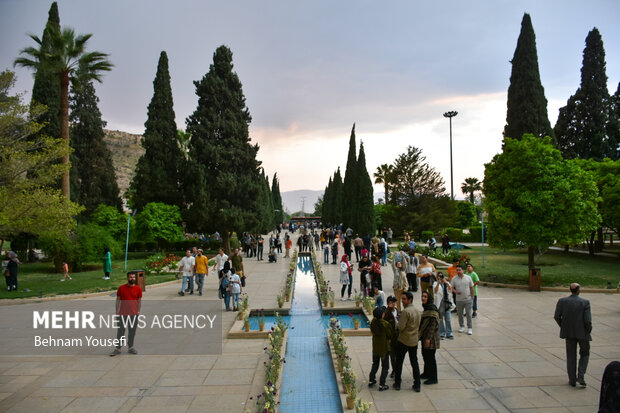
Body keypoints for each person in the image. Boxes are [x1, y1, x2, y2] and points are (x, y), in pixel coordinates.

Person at [554, 283, 592, 387]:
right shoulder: (585, 303)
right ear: (578, 290)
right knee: (585, 353)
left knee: (571, 356)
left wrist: (563, 326)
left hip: (569, 332)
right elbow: (587, 320)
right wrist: (588, 330)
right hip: (582, 333)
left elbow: (557, 316)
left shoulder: (562, 301)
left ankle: (572, 380)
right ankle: (581, 374)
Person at [393, 291, 421, 392]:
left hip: (404, 340)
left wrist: (397, 323)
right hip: (414, 340)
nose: (403, 301)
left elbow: (401, 327)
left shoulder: (406, 312)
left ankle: (397, 383)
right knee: (414, 362)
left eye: (404, 299)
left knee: (399, 362)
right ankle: (417, 384)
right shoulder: (417, 311)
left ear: (410, 300)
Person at [110, 271, 142, 356]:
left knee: (132, 332)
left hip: (133, 314)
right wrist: (117, 313)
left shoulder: (138, 289)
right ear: (127, 278)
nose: (132, 278)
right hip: (122, 314)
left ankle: (130, 347)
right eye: (131, 277)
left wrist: (138, 313)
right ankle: (118, 349)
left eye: (134, 277)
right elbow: (118, 301)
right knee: (120, 332)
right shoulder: (121, 288)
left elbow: (139, 302)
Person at [368, 306, 392, 391]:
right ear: (382, 315)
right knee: (385, 366)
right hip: (384, 348)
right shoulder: (385, 324)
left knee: (375, 363)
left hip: (375, 347)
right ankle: (382, 384)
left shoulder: (373, 322)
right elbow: (390, 335)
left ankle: (371, 380)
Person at [419, 291, 440, 385]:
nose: (423, 298)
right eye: (422, 296)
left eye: (425, 297)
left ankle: (433, 377)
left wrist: (428, 339)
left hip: (431, 338)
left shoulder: (432, 310)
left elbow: (433, 326)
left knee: (430, 357)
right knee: (425, 355)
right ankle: (426, 373)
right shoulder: (426, 308)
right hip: (425, 337)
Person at [451, 265, 474, 335]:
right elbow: (451, 287)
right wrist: (455, 292)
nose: (458, 271)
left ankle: (470, 328)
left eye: (459, 270)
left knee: (469, 314)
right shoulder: (454, 279)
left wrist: (472, 297)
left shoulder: (468, 278)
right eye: (457, 270)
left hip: (468, 299)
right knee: (460, 314)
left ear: (463, 271)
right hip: (458, 300)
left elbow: (472, 287)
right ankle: (462, 326)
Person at [433, 272, 454, 339]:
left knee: (448, 319)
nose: (440, 277)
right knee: (441, 319)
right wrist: (438, 283)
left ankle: (449, 333)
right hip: (440, 304)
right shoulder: (435, 283)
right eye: (439, 276)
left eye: (441, 276)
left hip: (447, 303)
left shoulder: (446, 283)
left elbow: (450, 289)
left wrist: (446, 282)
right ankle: (442, 333)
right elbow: (435, 291)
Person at [383, 296, 399, 379]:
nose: (393, 304)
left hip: (398, 336)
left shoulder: (398, 311)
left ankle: (397, 370)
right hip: (391, 337)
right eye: (391, 302)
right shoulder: (386, 313)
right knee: (392, 356)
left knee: (397, 355)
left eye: (394, 302)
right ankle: (394, 370)